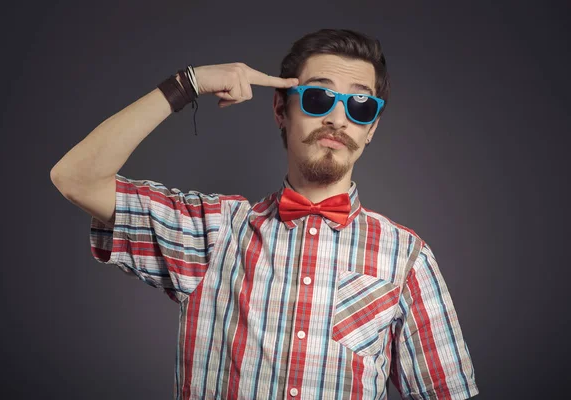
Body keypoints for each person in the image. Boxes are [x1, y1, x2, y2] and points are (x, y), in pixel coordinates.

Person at [51, 28, 479, 400]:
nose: (337, 118)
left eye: (360, 106)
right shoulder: (212, 232)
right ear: (281, 110)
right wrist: (189, 83)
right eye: (317, 97)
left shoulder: (407, 258)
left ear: (370, 129)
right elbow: (75, 178)